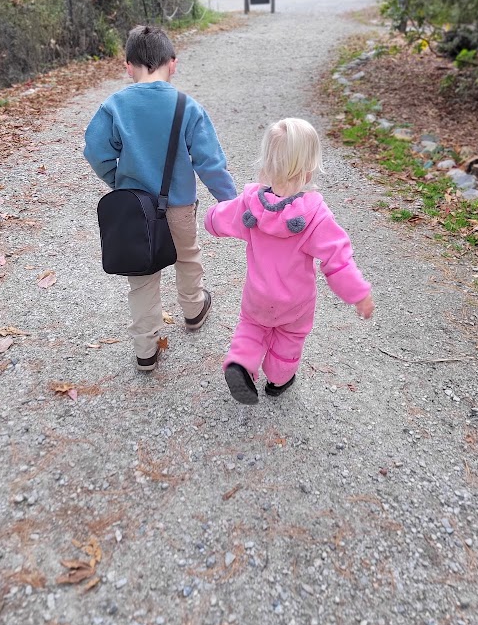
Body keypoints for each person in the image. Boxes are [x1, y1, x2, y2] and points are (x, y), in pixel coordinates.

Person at [84, 25, 237, 372]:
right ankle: (194, 309)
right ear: (173, 64)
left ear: (128, 66)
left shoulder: (115, 106)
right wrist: (231, 202)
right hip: (179, 206)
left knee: (142, 276)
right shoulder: (187, 107)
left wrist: (117, 180)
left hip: (135, 208)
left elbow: (95, 152)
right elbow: (210, 163)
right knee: (187, 257)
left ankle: (146, 350)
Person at [204, 117, 374, 404]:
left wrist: (209, 219)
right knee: (290, 337)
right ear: (308, 172)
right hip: (295, 303)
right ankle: (278, 380)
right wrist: (359, 295)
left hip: (257, 296)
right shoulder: (315, 215)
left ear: (267, 165)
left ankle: (240, 363)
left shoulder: (251, 204)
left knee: (251, 327)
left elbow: (220, 218)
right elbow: (338, 260)